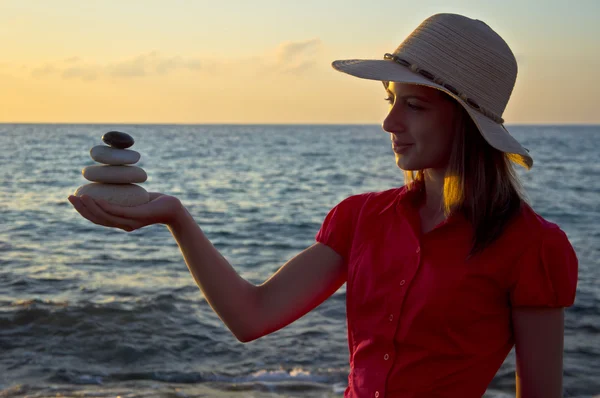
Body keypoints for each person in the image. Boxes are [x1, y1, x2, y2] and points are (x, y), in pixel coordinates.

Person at [68, 13, 579, 398]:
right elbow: (252, 316)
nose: (390, 123)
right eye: (391, 101)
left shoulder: (533, 247)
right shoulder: (360, 218)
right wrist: (175, 217)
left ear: (466, 123)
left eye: (414, 105)